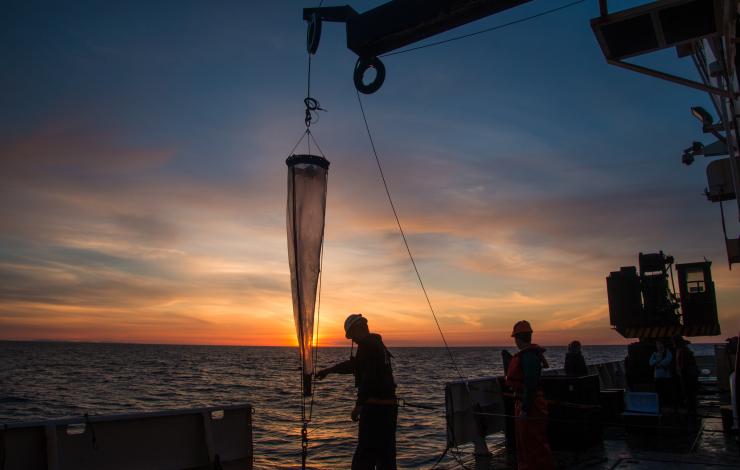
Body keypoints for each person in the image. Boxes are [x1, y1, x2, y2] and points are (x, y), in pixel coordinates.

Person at [315, 313, 397, 470]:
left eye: (352, 335)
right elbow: (356, 366)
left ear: (359, 328)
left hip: (375, 410)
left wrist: (359, 405)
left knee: (364, 459)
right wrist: (329, 370)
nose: (352, 340)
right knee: (386, 458)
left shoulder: (367, 346)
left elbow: (369, 377)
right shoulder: (377, 344)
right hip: (389, 409)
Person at [504, 320, 554, 470]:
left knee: (533, 442)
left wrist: (525, 408)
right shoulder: (528, 355)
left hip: (531, 405)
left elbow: (531, 384)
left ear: (518, 338)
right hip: (524, 402)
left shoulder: (529, 357)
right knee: (524, 442)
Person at [673, 335, 699, 414]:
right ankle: (691, 408)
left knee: (688, 392)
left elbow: (683, 364)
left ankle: (691, 409)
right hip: (687, 374)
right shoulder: (684, 350)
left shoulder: (682, 351)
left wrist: (680, 371)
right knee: (689, 392)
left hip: (687, 375)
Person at [649, 339, 674, 411]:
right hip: (657, 376)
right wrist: (658, 361)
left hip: (666, 376)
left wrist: (657, 363)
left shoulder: (667, 352)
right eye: (657, 344)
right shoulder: (654, 353)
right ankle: (660, 406)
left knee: (666, 392)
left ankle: (668, 406)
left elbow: (667, 362)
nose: (659, 346)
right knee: (658, 392)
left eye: (660, 344)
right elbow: (650, 363)